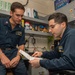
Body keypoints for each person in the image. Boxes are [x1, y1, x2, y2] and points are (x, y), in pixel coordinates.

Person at [0, 2, 28, 75]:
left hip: (14, 53)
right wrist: (2, 56)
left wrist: (18, 57)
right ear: (11, 13)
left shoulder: (21, 29)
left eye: (22, 16)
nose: (20, 18)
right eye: (17, 15)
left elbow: (21, 45)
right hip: (0, 52)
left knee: (23, 72)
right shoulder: (1, 22)